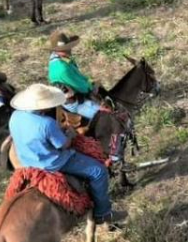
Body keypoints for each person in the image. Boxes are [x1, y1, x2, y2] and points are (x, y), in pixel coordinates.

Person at [9, 83, 125, 226]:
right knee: (98, 171)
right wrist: (70, 134)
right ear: (42, 105)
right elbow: (65, 145)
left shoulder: (15, 116)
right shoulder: (46, 123)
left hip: (26, 163)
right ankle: (103, 213)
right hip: (53, 163)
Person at [47, 32, 101, 122]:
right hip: (74, 101)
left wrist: (90, 81)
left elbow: (78, 75)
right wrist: (92, 86)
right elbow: (82, 88)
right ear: (56, 50)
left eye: (67, 47)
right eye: (64, 49)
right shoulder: (62, 68)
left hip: (69, 89)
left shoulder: (57, 57)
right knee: (104, 115)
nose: (68, 50)